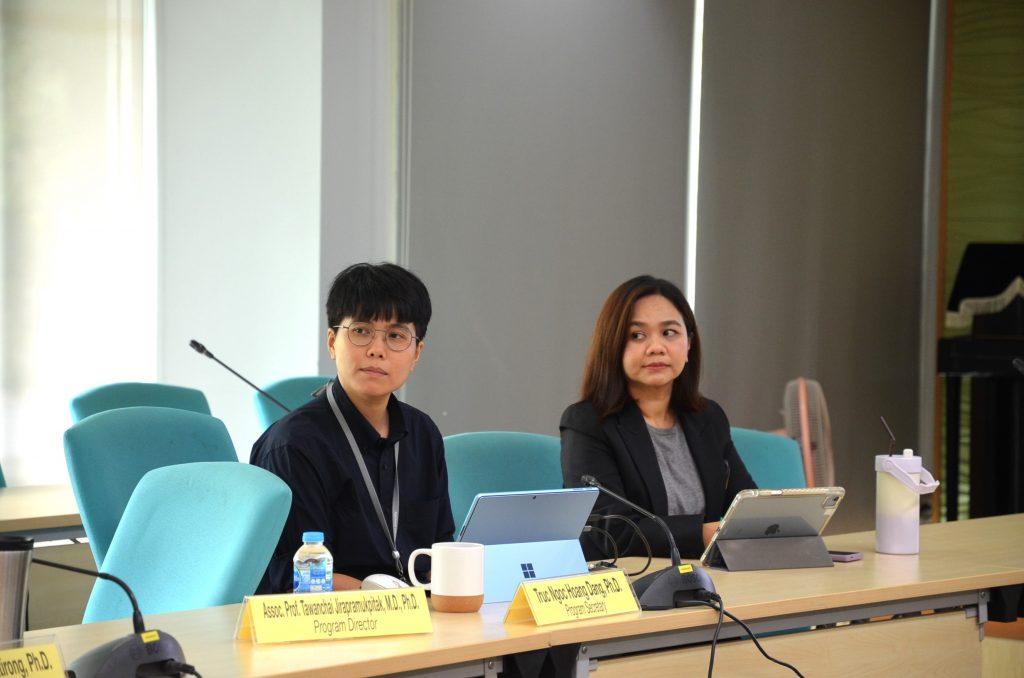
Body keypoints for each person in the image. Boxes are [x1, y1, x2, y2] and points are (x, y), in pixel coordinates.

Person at [251, 262, 454, 593]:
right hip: (334, 618)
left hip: (418, 612)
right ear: (332, 342)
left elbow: (440, 549)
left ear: (416, 353)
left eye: (396, 336)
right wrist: (384, 601)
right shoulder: (293, 445)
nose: (377, 350)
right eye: (361, 331)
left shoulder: (422, 434)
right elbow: (297, 577)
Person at [560, 275, 756, 560]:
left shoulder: (708, 418)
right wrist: (709, 534)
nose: (656, 347)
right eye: (637, 335)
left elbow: (747, 508)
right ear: (613, 346)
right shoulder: (588, 423)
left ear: (689, 344)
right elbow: (608, 532)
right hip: (632, 580)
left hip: (710, 577)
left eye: (669, 332)